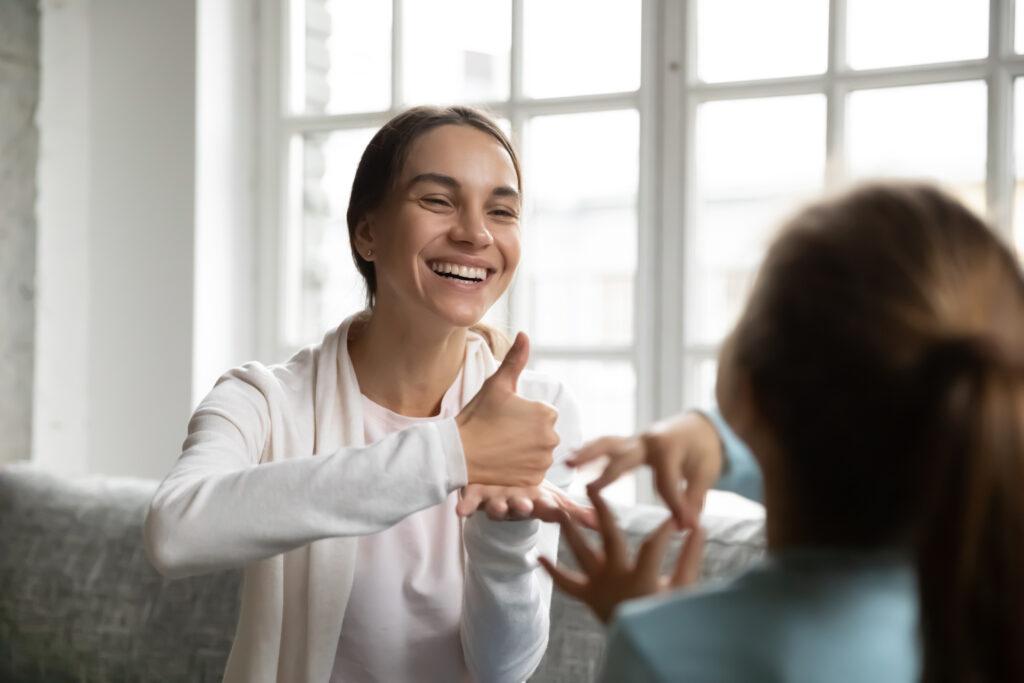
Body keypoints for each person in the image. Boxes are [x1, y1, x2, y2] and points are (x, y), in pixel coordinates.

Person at [144, 105, 593, 683]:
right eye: (437, 200)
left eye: (501, 210)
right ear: (367, 231)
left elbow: (504, 668)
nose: (475, 233)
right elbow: (175, 532)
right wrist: (451, 453)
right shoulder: (262, 402)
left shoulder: (533, 410)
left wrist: (504, 544)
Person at [544, 182, 1024, 682]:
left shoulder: (663, 648)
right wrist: (721, 441)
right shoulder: (991, 620)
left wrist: (639, 620)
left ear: (746, 390)